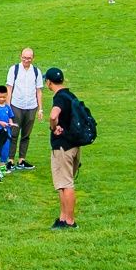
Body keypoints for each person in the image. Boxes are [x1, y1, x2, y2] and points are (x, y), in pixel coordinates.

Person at [45, 68, 81, 229]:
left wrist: (53, 126)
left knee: (66, 183)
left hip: (62, 147)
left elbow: (53, 115)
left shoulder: (59, 98)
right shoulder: (70, 95)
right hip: (74, 145)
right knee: (62, 183)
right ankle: (63, 217)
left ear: (49, 82)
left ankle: (70, 221)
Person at [6, 48, 42, 169]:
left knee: (26, 135)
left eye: (29, 58)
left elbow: (39, 91)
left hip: (31, 106)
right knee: (14, 134)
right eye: (24, 57)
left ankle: (22, 160)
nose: (26, 60)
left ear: (33, 58)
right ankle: (10, 160)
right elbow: (9, 89)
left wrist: (40, 108)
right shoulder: (14, 69)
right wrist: (8, 107)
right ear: (20, 56)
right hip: (16, 105)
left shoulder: (36, 72)